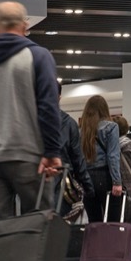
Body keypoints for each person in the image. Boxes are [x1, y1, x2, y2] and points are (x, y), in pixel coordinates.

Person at [0, 1, 62, 222]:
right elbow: (48, 106)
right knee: (38, 224)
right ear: (25, 25)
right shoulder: (38, 56)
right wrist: (51, 152)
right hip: (27, 155)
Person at [79, 95, 122, 222]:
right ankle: (111, 243)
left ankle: (95, 242)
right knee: (112, 222)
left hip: (87, 178)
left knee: (94, 221)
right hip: (105, 176)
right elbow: (113, 156)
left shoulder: (82, 131)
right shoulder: (111, 127)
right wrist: (117, 182)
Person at [57, 89, 92, 220]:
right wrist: (88, 187)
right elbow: (77, 159)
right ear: (59, 97)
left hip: (35, 184)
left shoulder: (30, 121)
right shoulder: (69, 124)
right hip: (62, 185)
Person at [114, 115, 131, 225]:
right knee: (130, 224)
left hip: (114, 189)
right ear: (126, 129)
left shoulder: (109, 148)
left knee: (114, 223)